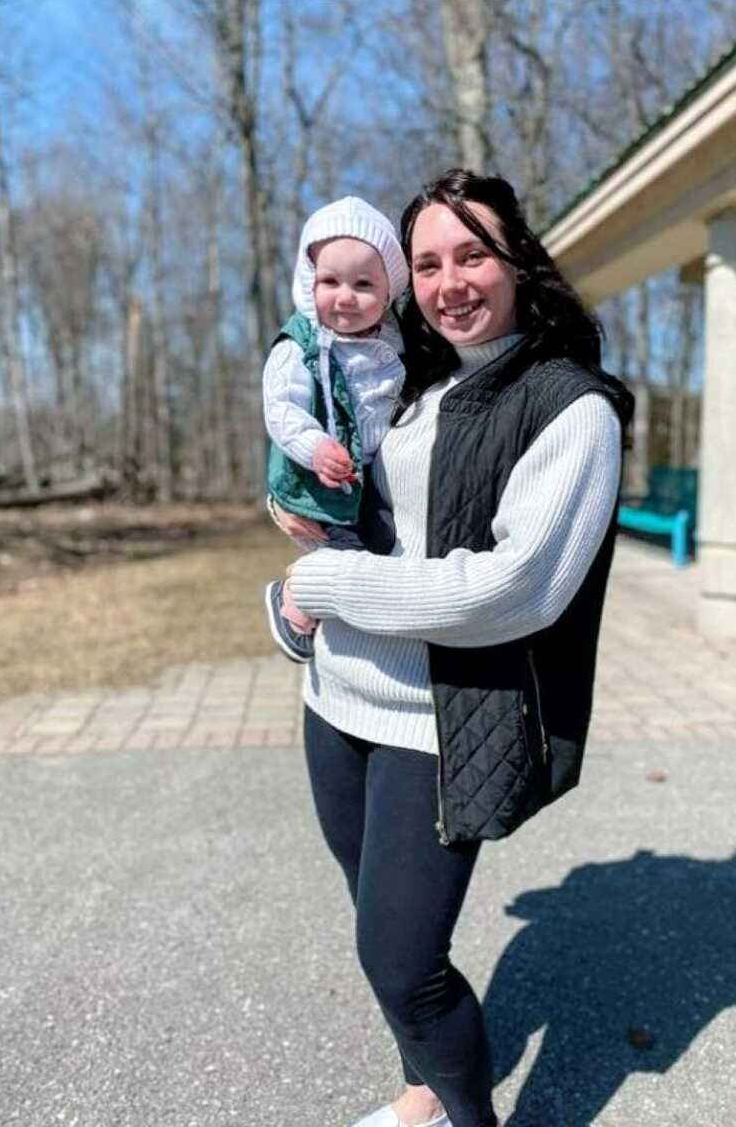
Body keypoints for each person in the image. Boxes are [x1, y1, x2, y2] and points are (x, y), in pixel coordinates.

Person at [274, 169, 634, 1127]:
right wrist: (296, 597)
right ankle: (423, 1095)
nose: (449, 283)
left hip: (438, 722)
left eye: (471, 254)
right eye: (427, 263)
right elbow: (361, 530)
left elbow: (511, 590)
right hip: (335, 699)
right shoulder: (411, 378)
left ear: (518, 261)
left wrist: (332, 586)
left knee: (401, 959)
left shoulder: (570, 407)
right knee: (375, 931)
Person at [262, 196, 409, 663]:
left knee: (382, 544)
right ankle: (295, 599)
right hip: (316, 475)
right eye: (330, 281)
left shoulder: (394, 341)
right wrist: (316, 448)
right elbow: (282, 410)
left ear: (389, 291)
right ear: (309, 283)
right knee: (350, 550)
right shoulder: (302, 346)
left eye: (363, 283)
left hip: (365, 477)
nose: (344, 296)